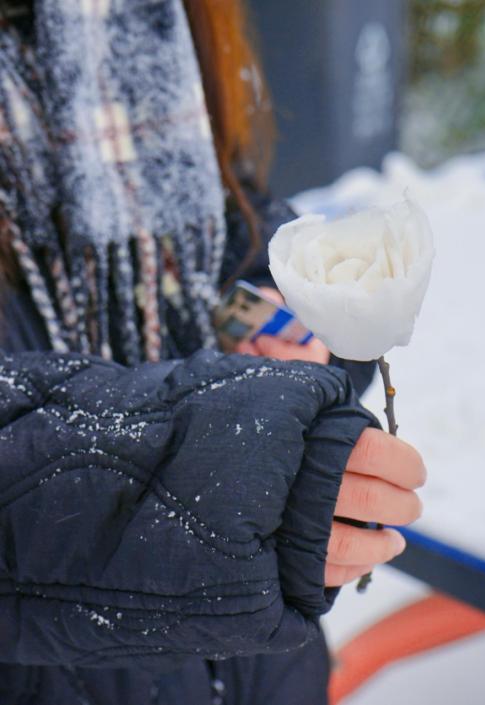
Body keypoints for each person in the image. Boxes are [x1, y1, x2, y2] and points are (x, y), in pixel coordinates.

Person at [0, 1, 425, 704]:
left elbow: (228, 228)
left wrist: (298, 318)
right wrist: (205, 460)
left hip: (261, 672)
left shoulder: (148, 19)